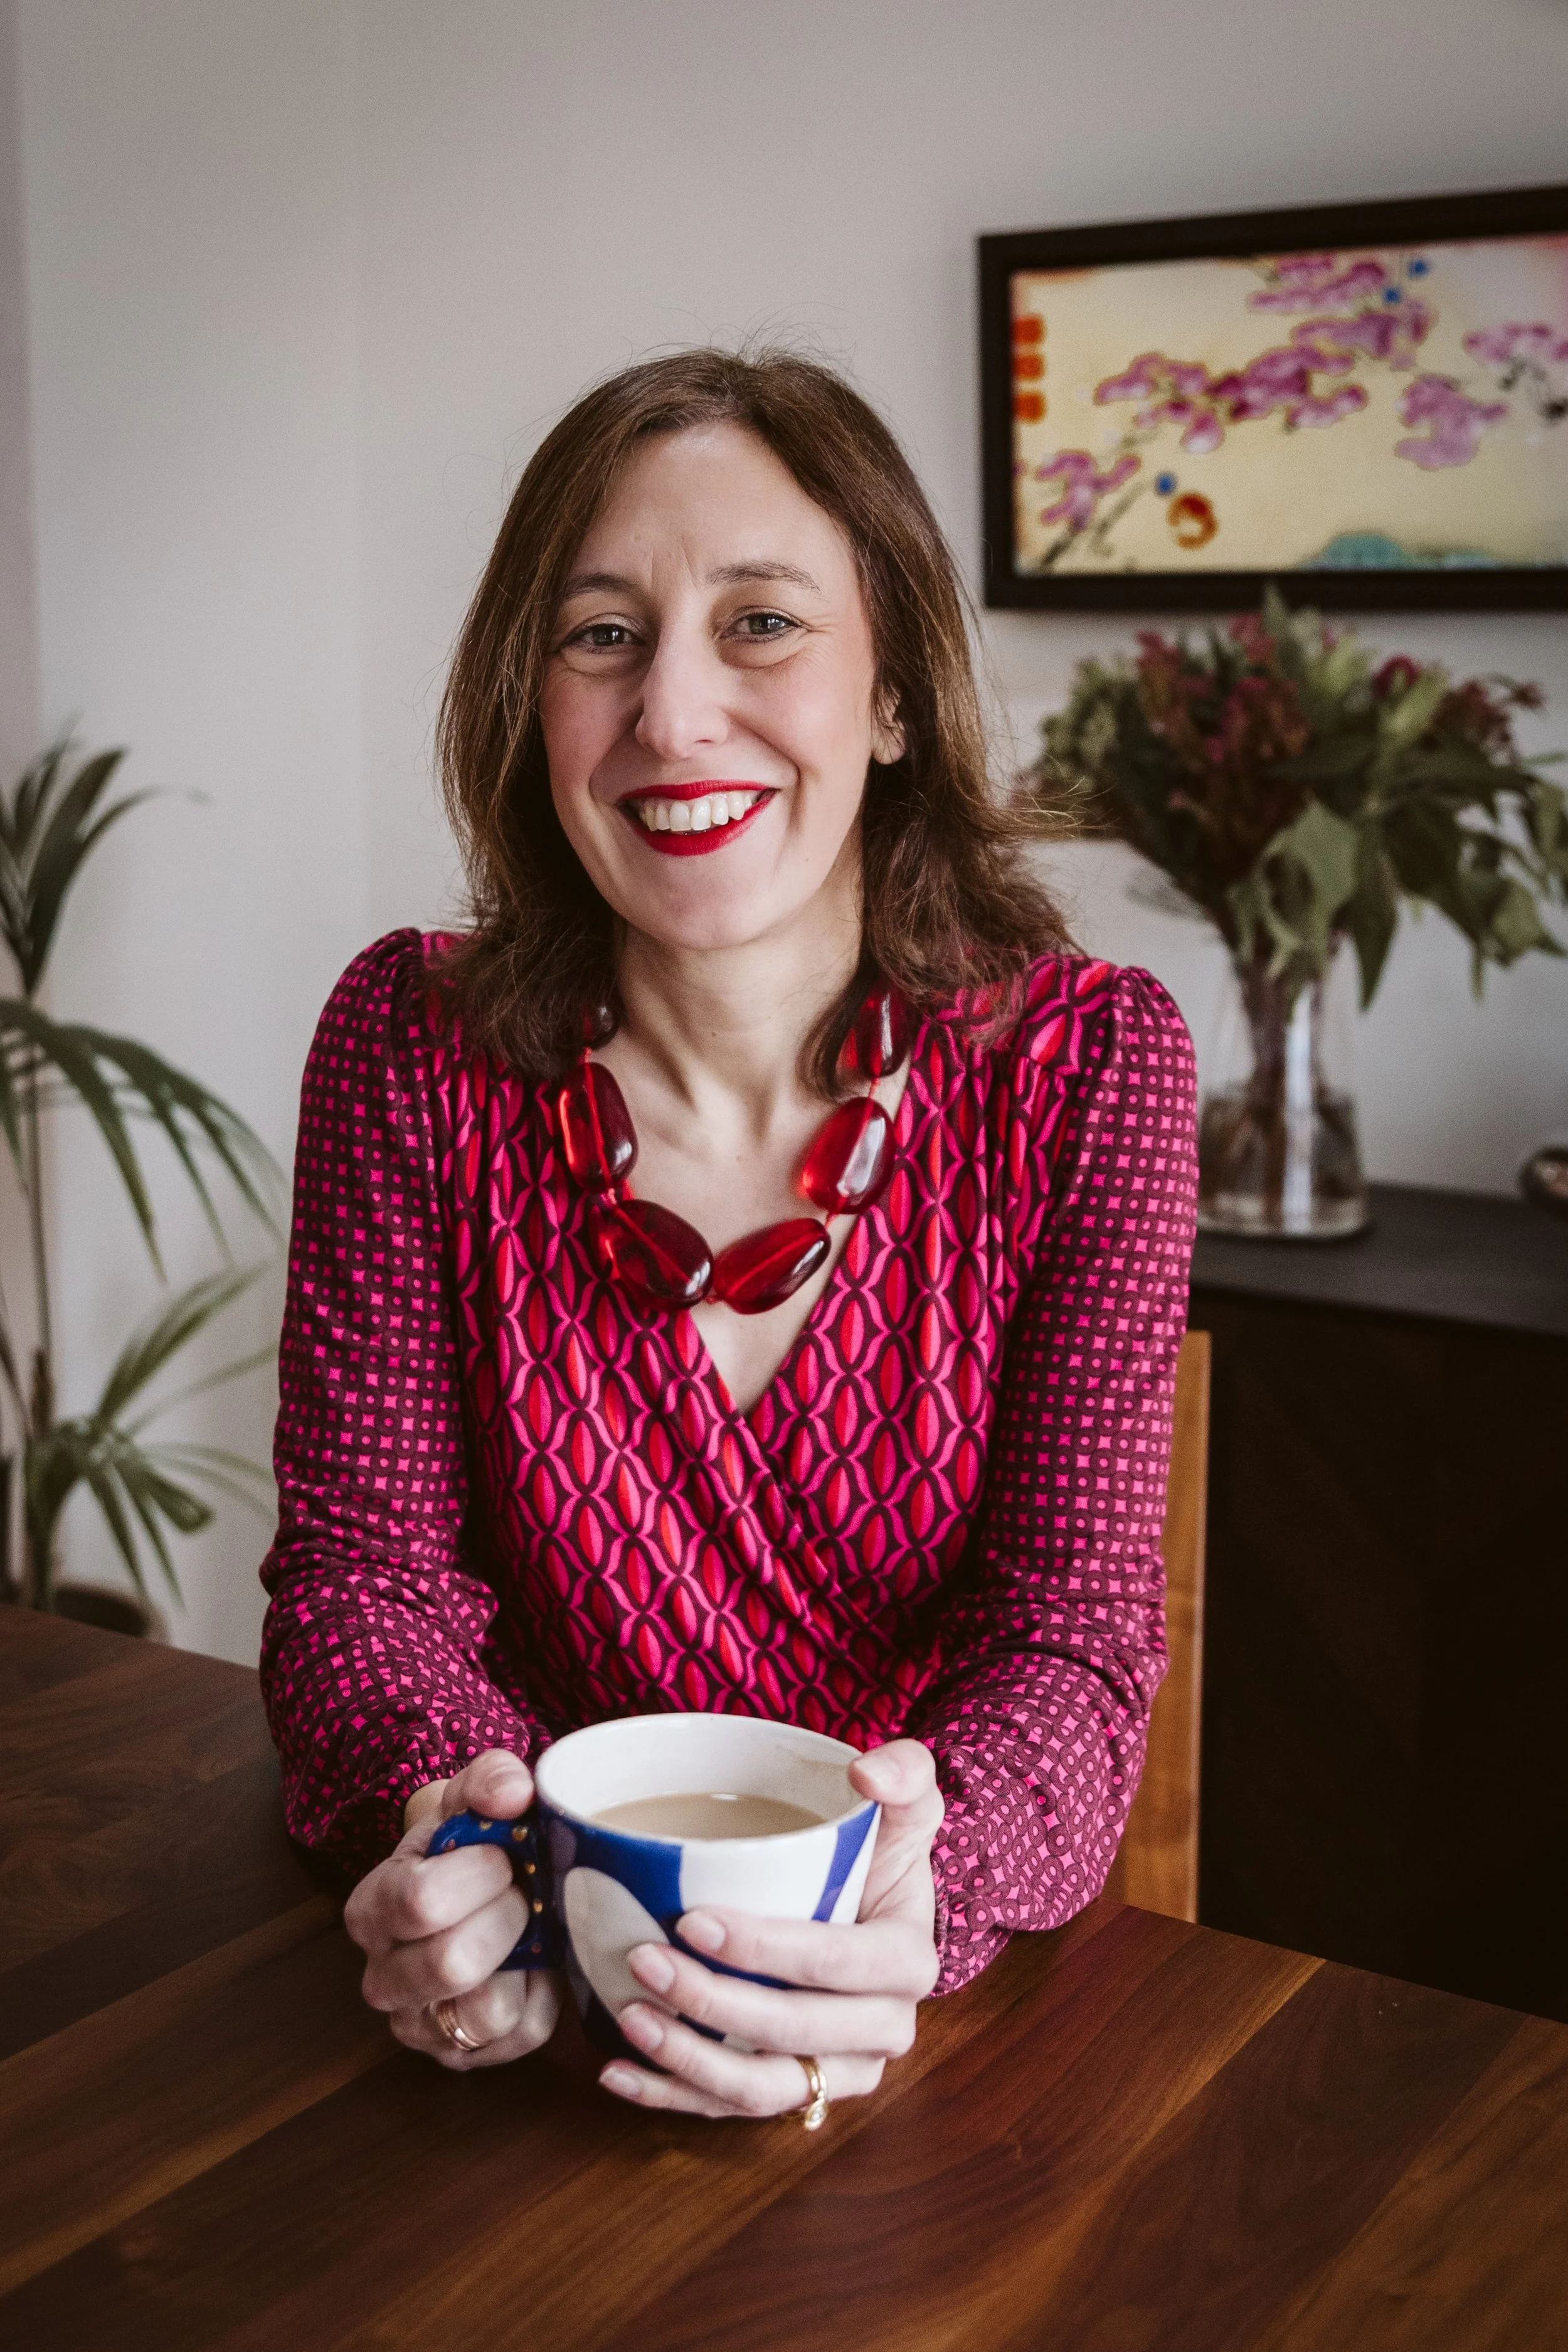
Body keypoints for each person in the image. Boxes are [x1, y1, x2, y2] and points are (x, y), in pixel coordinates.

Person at [259, 347, 1197, 2126]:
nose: (673, 715)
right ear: (528, 706)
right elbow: (360, 1581)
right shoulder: (409, 1046)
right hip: (508, 2016)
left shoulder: (1088, 1072)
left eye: (759, 622)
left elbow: (1068, 1636)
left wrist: (929, 1889)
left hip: (916, 2038)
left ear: (896, 691)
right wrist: (437, 1821)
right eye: (600, 635)